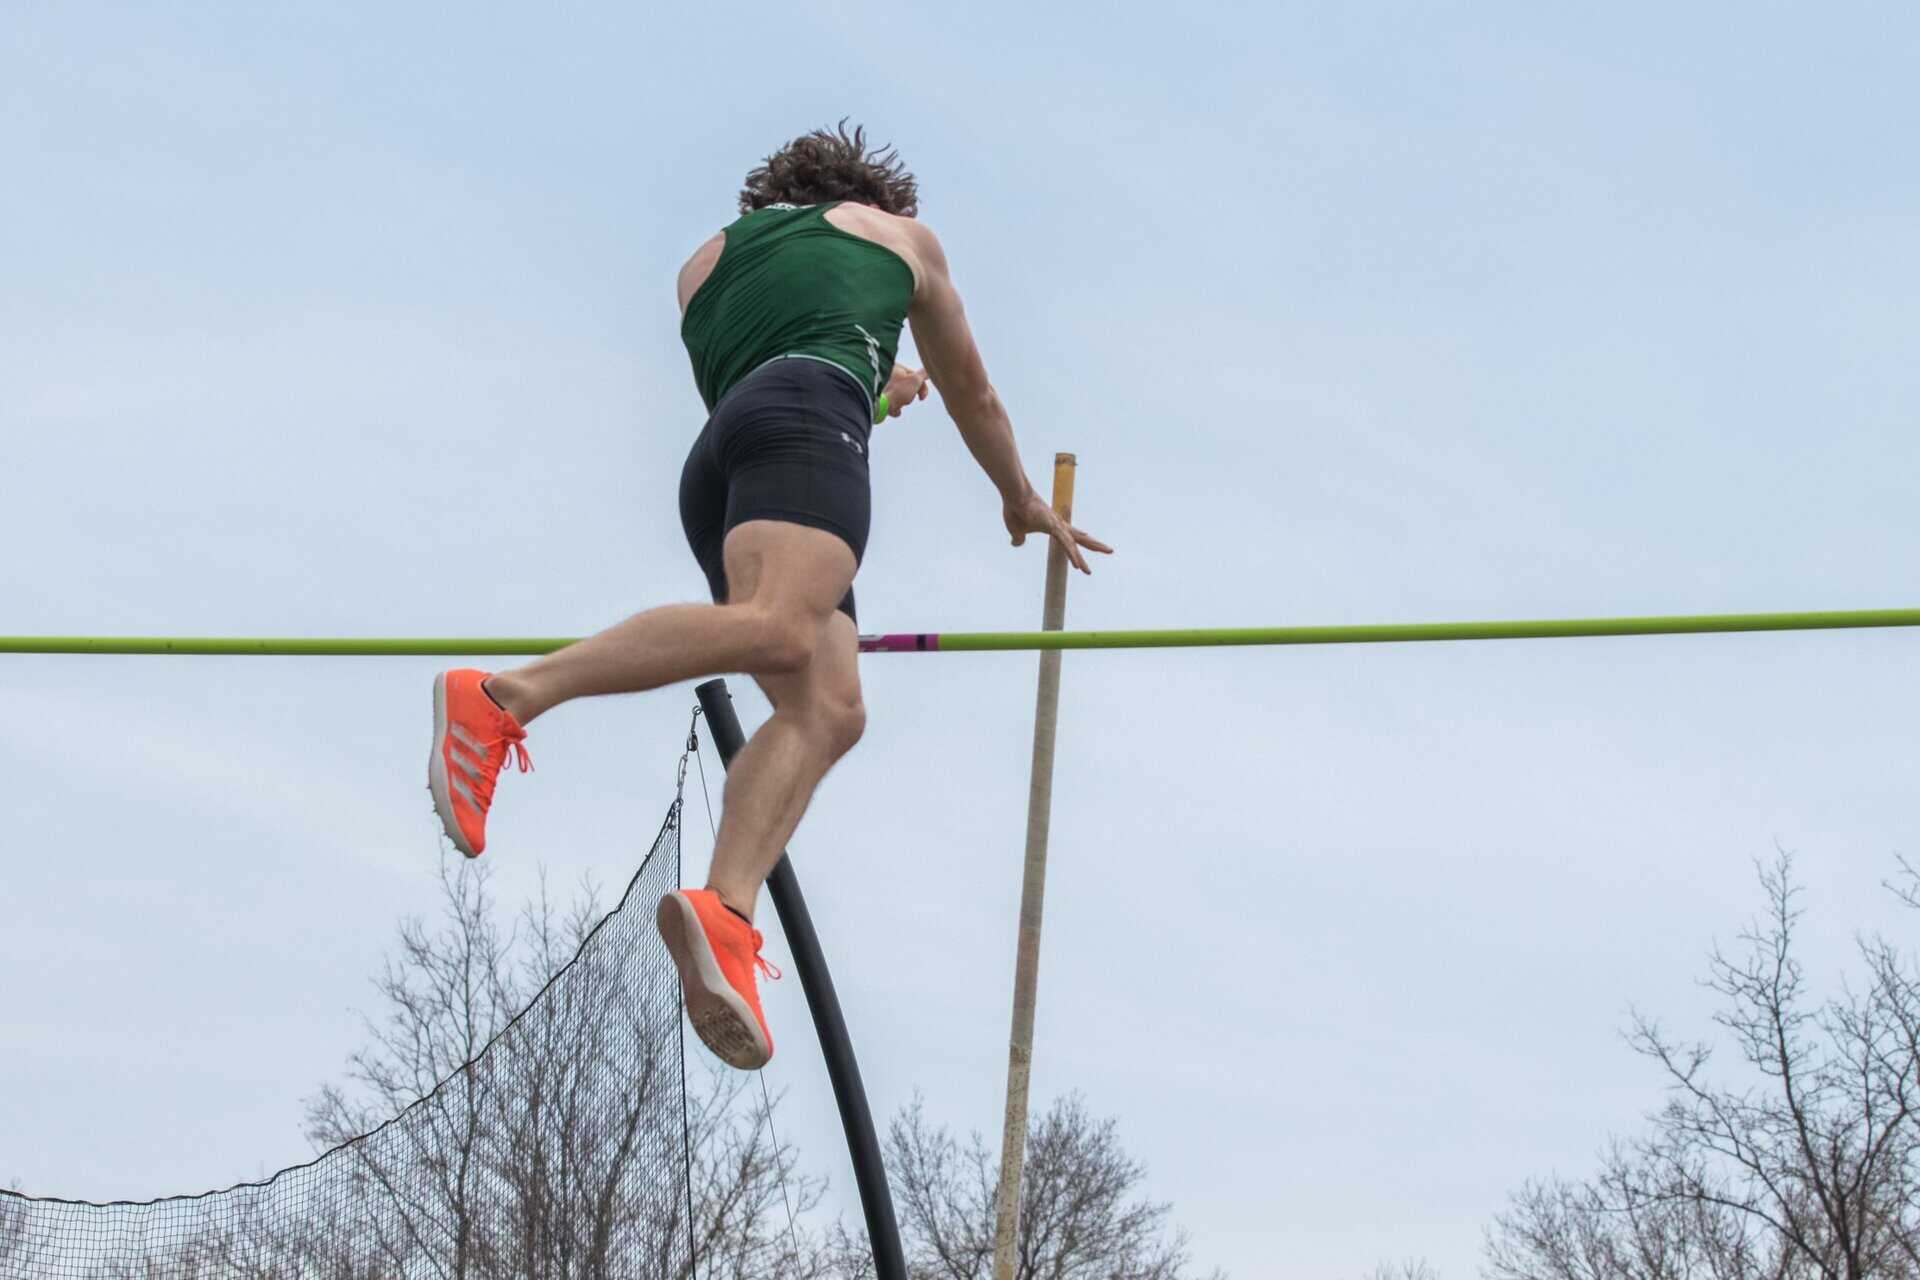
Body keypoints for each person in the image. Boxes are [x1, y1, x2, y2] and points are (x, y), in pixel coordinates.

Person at [427, 122, 1111, 1069]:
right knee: (784, 630)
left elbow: (778, 366)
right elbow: (975, 392)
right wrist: (1019, 497)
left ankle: (727, 913)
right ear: (874, 199)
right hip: (805, 423)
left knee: (828, 707)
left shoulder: (704, 265)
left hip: (725, 462)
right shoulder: (900, 239)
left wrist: (877, 385)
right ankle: (506, 698)